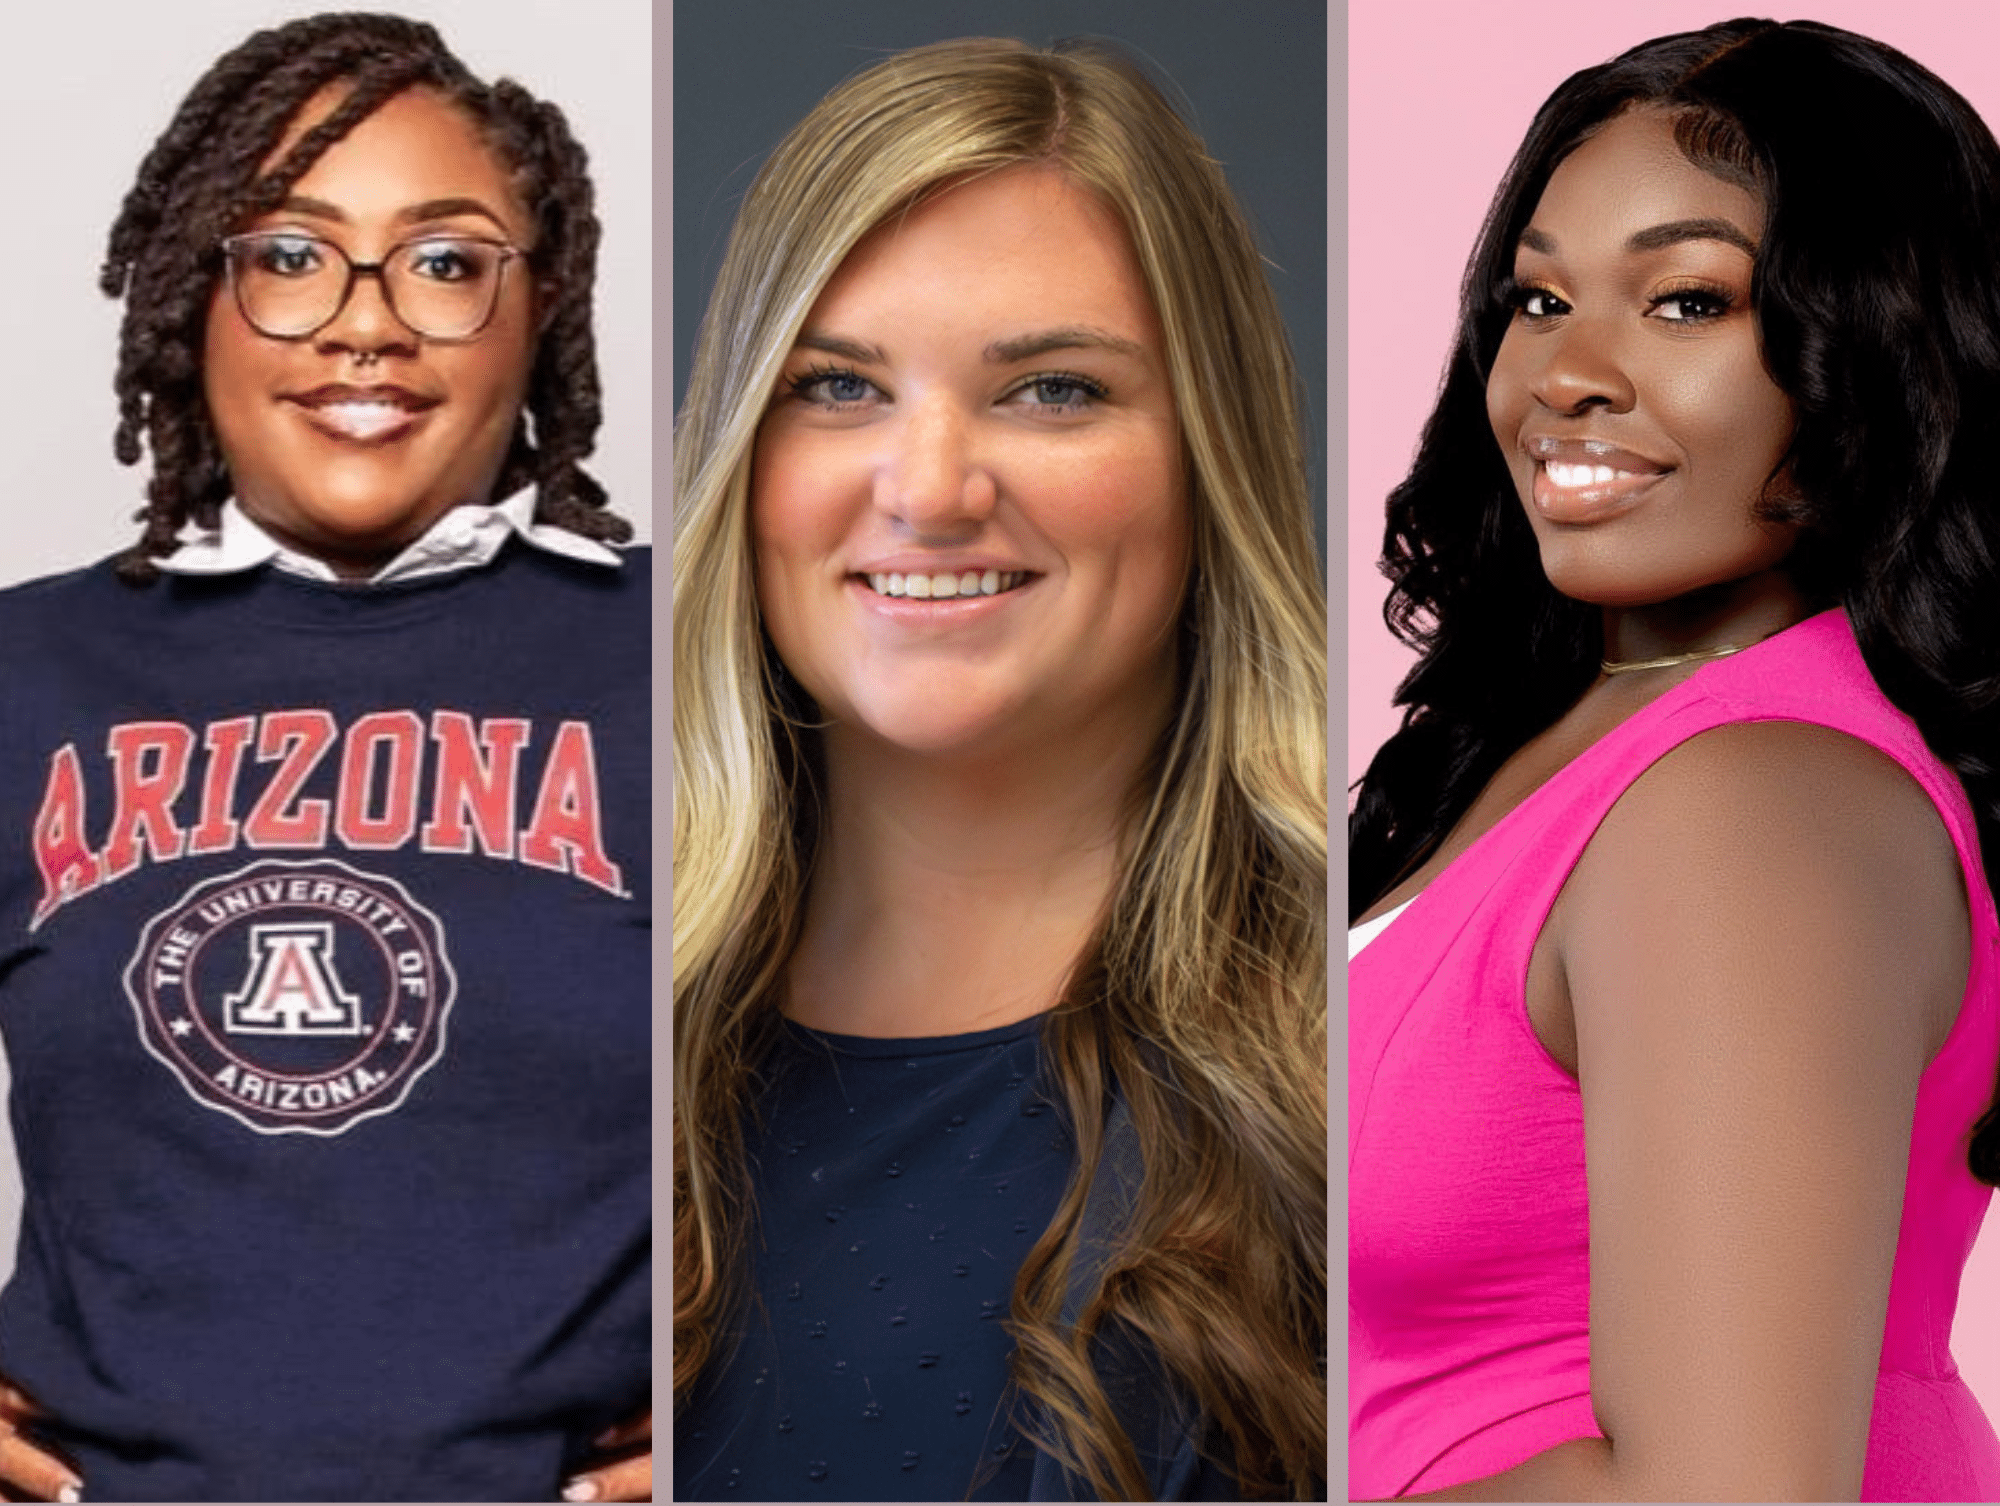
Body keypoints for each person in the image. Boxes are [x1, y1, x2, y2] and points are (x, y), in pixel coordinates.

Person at [1348, 17, 2000, 1502]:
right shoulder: (1572, 732)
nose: (1567, 373)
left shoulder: (1754, 802)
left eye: (1686, 301)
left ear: (1879, 341)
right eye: (1539, 298)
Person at [0, 14, 648, 1501]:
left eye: (446, 261)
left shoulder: (704, 652)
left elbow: (918, 1086)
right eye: (290, 256)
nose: (368, 323)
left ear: (538, 307)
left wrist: (749, 1413)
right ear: (196, 298)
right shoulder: (27, 670)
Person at [671, 37, 1326, 1503]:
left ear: (1207, 449)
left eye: (1052, 390)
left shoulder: (1366, 1056)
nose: (930, 489)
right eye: (837, 387)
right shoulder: (576, 1023)